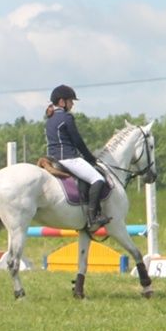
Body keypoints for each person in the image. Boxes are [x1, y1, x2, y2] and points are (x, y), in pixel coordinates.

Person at [45, 84, 108, 232]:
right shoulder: (66, 118)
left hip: (53, 158)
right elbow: (77, 141)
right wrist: (90, 158)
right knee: (98, 179)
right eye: (71, 101)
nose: (72, 104)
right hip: (68, 159)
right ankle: (93, 217)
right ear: (62, 102)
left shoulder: (50, 119)